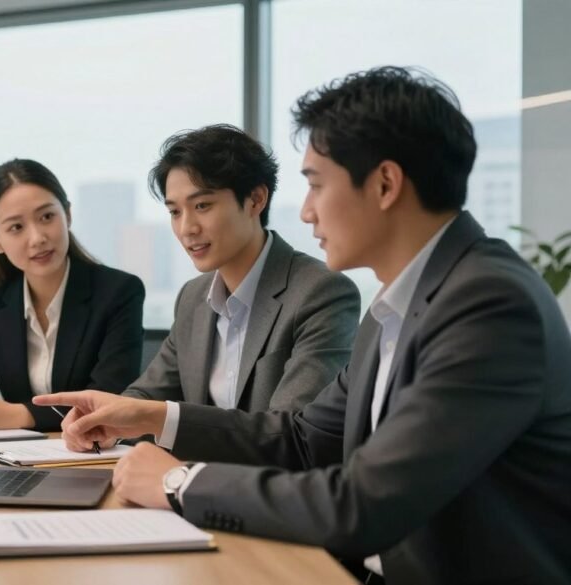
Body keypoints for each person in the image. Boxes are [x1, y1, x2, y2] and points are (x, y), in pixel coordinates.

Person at [36, 67, 571, 583]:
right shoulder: (397, 303)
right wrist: (150, 415)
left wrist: (178, 480)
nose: (308, 212)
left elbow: (363, 503)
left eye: (316, 185)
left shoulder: (487, 303)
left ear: (385, 183)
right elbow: (302, 438)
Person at [123, 124, 359, 418]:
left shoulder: (321, 292)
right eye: (175, 212)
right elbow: (148, 394)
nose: (187, 228)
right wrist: (104, 417)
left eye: (202, 205)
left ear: (256, 199)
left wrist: (168, 424)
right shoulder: (193, 296)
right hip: (189, 464)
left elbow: (290, 427)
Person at [0, 158, 145, 432]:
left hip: (93, 455)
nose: (37, 238)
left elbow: (108, 400)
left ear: (67, 215)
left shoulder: (118, 292)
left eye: (47, 217)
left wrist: (18, 415)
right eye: (16, 228)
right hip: (19, 458)